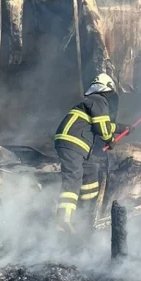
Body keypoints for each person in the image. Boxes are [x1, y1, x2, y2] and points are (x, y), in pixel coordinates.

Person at [52, 73, 129, 232]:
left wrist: (123, 129)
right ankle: (63, 219)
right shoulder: (98, 100)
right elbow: (102, 127)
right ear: (106, 90)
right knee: (73, 177)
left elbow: (103, 125)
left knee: (90, 171)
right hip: (72, 143)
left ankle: (86, 210)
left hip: (78, 146)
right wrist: (110, 140)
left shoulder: (93, 103)